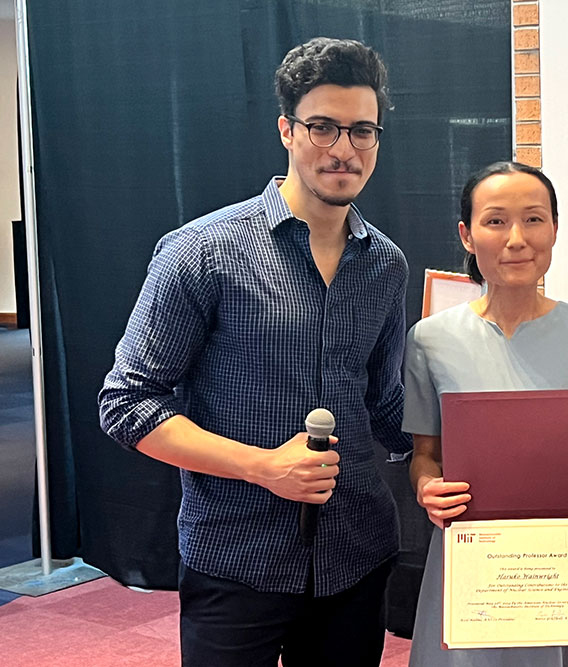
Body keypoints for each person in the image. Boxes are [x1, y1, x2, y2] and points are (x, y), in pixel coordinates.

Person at [98, 37, 410, 666]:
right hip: (237, 557)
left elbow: (385, 407)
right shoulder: (201, 253)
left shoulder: (386, 265)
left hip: (357, 553)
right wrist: (262, 466)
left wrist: (473, 455)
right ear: (287, 131)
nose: (344, 150)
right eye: (323, 127)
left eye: (362, 131)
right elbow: (127, 405)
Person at [404, 161, 568, 666]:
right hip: (472, 571)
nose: (516, 239)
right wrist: (427, 487)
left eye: (534, 219)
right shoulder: (430, 339)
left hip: (563, 575)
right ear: (467, 235)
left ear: (555, 228)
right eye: (495, 221)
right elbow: (425, 455)